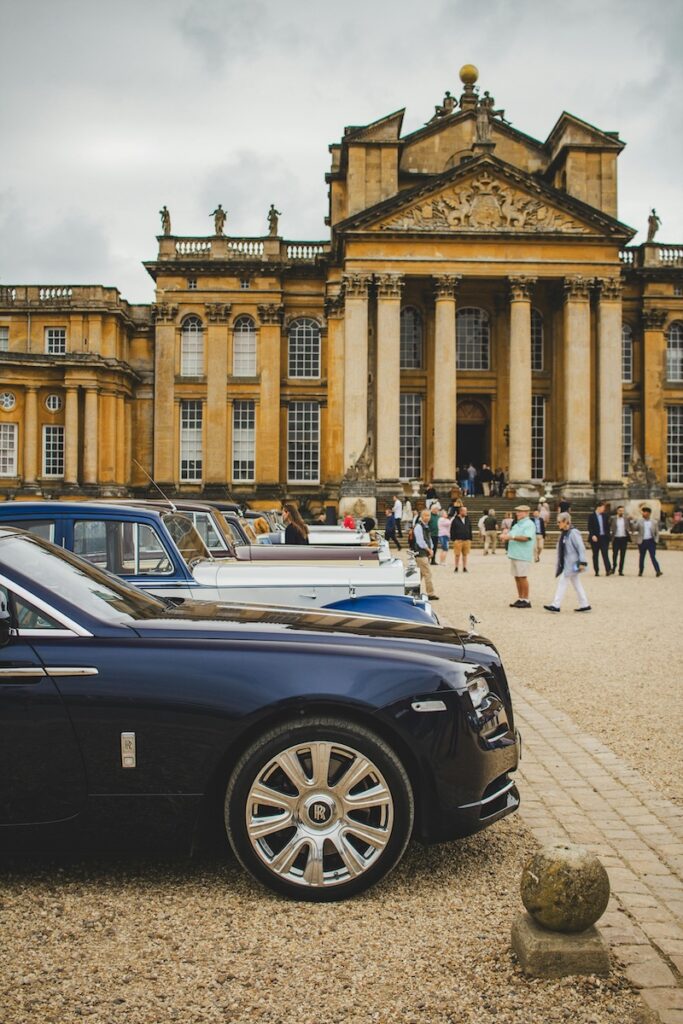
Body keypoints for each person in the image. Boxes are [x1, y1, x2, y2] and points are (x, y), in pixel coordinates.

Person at [544, 513, 590, 612]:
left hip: (573, 564)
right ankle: (585, 604)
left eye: (559, 522)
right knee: (576, 584)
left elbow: (581, 548)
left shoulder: (573, 532)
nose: (558, 524)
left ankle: (556, 605)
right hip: (568, 563)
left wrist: (582, 562)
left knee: (563, 582)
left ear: (566, 522)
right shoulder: (564, 533)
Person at [501, 504, 535, 608]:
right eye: (517, 511)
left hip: (522, 554)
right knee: (517, 577)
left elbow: (526, 538)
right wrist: (506, 536)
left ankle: (526, 599)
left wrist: (511, 537)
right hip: (515, 554)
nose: (517, 513)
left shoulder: (529, 524)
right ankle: (520, 598)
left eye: (520, 511)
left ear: (526, 513)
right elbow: (511, 535)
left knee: (522, 577)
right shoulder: (517, 524)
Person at [413, 508, 438, 600]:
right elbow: (420, 541)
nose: (427, 517)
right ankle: (430, 593)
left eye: (429, 515)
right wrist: (429, 549)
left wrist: (431, 549)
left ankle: (413, 591)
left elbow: (429, 539)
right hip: (421, 553)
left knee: (420, 574)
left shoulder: (425, 526)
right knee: (427, 573)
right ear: (421, 516)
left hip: (425, 552)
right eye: (425, 515)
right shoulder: (419, 526)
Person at [633, 506, 663, 577]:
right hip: (642, 541)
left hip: (651, 541)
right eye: (643, 512)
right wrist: (633, 522)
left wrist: (656, 540)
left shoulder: (654, 522)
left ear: (649, 513)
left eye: (645, 512)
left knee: (653, 556)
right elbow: (634, 528)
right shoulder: (639, 521)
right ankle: (641, 571)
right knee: (642, 557)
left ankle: (658, 571)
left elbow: (656, 532)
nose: (643, 513)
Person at [587, 500, 611, 576]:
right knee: (595, 555)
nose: (604, 509)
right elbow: (590, 527)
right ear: (598, 507)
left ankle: (608, 570)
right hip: (595, 538)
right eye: (603, 507)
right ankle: (596, 571)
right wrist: (592, 535)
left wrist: (608, 536)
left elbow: (607, 527)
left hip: (604, 538)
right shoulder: (591, 516)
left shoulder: (605, 516)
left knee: (605, 554)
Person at [610, 505, 632, 575]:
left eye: (622, 511)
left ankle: (620, 570)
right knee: (615, 554)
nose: (621, 512)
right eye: (620, 510)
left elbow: (630, 527)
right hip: (616, 538)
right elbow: (608, 525)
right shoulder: (613, 518)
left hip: (624, 538)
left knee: (623, 555)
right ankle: (614, 567)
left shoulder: (626, 519)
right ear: (617, 511)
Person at [450, 504, 473, 573]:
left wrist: (470, 538)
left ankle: (464, 567)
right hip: (458, 539)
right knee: (457, 554)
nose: (466, 512)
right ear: (460, 512)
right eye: (464, 511)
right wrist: (453, 539)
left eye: (466, 511)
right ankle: (456, 567)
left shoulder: (468, 519)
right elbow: (452, 529)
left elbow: (470, 528)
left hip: (466, 539)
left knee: (465, 554)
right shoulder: (455, 520)